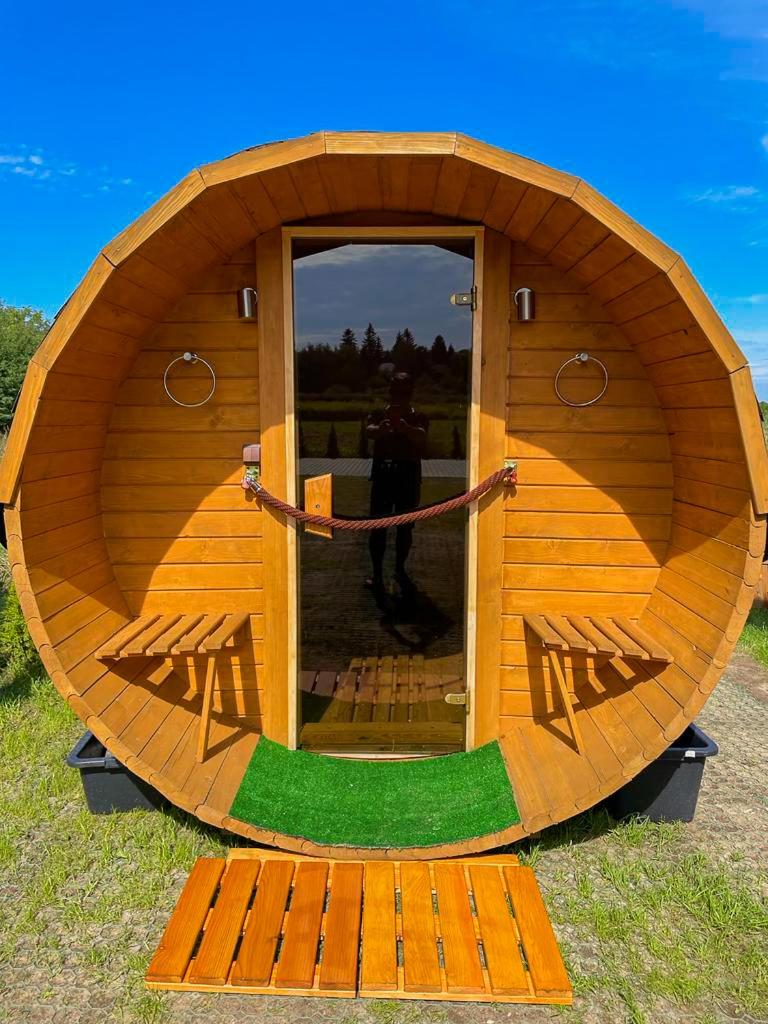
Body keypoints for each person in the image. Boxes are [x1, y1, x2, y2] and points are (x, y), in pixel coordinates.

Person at [365, 372, 428, 593]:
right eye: (396, 391)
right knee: (377, 528)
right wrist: (380, 430)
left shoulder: (418, 416)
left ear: (410, 393)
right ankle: (378, 573)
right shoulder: (379, 414)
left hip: (407, 477)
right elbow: (369, 430)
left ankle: (399, 570)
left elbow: (422, 435)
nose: (399, 396)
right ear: (390, 392)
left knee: (405, 528)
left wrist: (406, 429)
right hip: (384, 476)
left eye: (403, 392)